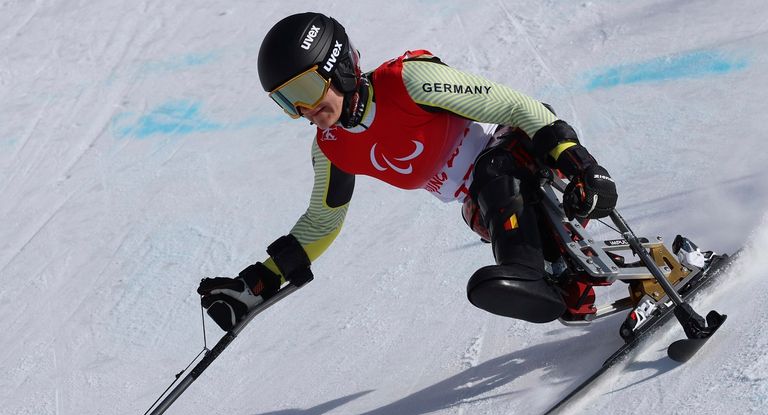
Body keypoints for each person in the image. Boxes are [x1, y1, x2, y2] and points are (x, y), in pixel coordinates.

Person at [197, 12, 618, 331]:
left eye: (305, 91)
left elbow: (518, 107)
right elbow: (322, 220)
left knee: (493, 172)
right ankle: (580, 282)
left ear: (338, 67)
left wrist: (580, 163)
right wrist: (260, 281)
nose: (306, 110)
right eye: (288, 102)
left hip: (523, 149)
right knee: (560, 280)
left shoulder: (406, 82)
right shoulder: (333, 149)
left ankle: (528, 273)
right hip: (484, 202)